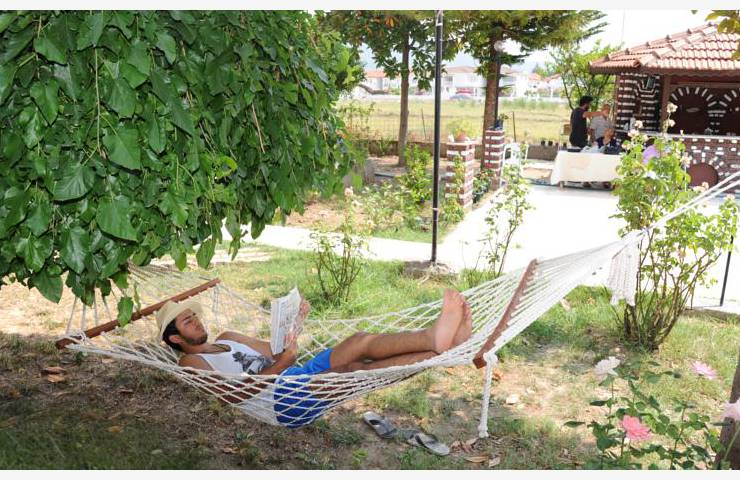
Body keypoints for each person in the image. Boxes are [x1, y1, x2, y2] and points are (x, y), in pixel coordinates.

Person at [156, 289, 473, 427]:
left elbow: (274, 351)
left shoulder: (228, 337)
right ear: (176, 339)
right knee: (351, 371)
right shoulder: (191, 364)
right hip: (281, 402)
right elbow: (234, 395)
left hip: (295, 375)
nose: (197, 322)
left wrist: (295, 322)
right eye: (188, 322)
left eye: (194, 316)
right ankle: (439, 352)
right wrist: (281, 365)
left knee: (359, 341)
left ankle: (435, 340)